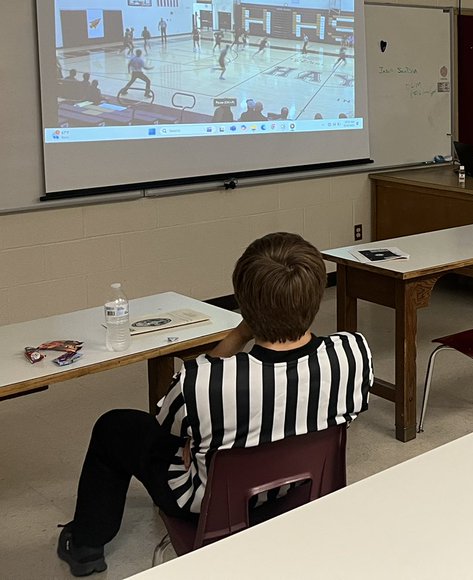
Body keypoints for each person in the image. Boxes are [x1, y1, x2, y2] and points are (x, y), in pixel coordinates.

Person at [55, 232, 373, 577]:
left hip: (208, 506)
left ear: (243, 302)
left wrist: (238, 335)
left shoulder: (203, 380)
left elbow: (165, 419)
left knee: (115, 426)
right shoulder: (353, 353)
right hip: (300, 491)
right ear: (316, 297)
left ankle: (86, 544)